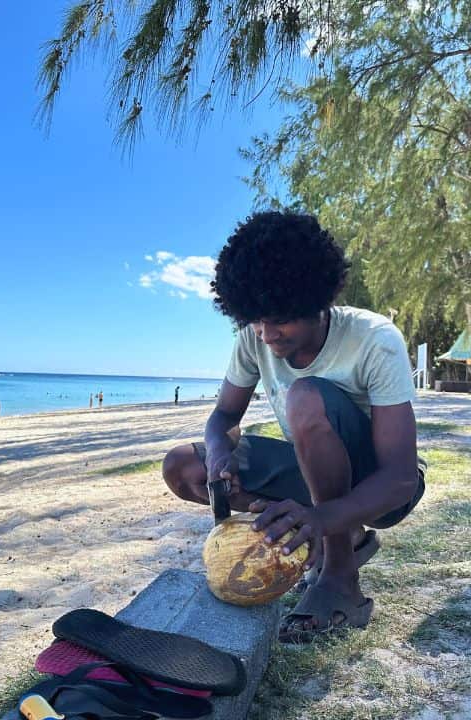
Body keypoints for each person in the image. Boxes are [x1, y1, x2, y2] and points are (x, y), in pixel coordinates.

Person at [161, 211, 424, 643]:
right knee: (183, 466)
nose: (266, 335)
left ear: (315, 301)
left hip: (380, 490)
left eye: (279, 319)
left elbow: (399, 479)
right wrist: (220, 449)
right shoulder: (255, 336)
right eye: (256, 320)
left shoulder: (375, 340)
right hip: (314, 475)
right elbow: (224, 416)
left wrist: (321, 516)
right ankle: (337, 536)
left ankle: (340, 578)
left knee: (305, 397)